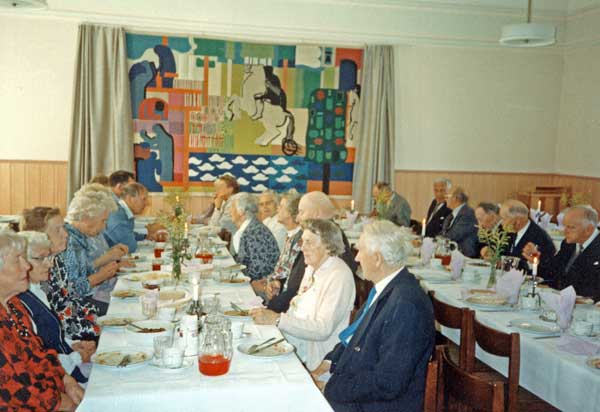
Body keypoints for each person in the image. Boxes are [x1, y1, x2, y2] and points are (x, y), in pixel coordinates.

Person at [311, 220, 435, 412]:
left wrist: (329, 388)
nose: (357, 257)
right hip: (360, 390)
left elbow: (388, 382)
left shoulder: (406, 305)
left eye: (360, 251)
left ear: (377, 258)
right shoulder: (388, 288)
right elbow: (355, 336)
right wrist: (329, 363)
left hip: (377, 406)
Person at [252, 219, 356, 370]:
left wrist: (278, 319)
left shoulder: (339, 276)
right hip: (295, 345)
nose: (302, 248)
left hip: (316, 361)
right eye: (302, 242)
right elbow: (297, 309)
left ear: (328, 246)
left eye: (309, 242)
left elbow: (323, 329)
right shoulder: (312, 268)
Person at [0, 230, 84, 412]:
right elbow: (13, 391)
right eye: (17, 260)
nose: (26, 266)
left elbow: (39, 354)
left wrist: (66, 380)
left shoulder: (14, 305)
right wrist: (59, 402)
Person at [18, 231, 96, 384]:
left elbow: (50, 336)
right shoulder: (20, 302)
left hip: (67, 365)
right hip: (58, 378)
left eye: (49, 257)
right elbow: (36, 361)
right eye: (41, 258)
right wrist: (77, 357)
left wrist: (73, 344)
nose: (50, 264)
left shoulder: (37, 290)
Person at [21, 207, 101, 340]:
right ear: (39, 235)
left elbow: (70, 300)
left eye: (63, 227)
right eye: (58, 230)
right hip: (63, 336)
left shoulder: (57, 259)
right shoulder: (36, 270)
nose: (66, 234)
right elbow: (54, 319)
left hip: (75, 324)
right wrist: (94, 328)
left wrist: (93, 317)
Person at [63, 188, 121, 314]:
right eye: (103, 221)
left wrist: (103, 270)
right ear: (86, 217)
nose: (104, 227)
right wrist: (100, 276)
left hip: (88, 300)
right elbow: (72, 291)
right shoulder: (69, 241)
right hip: (77, 309)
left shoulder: (79, 237)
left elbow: (82, 270)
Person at [524, 205, 600, 299]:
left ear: (588, 229)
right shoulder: (569, 244)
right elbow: (553, 271)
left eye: (571, 227)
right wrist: (536, 260)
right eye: (565, 226)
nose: (565, 231)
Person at [229, 192, 279, 289]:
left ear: (241, 211)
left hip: (265, 287)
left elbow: (259, 270)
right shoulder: (250, 228)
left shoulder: (255, 232)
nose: (229, 212)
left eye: (232, 208)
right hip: (252, 282)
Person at [264, 191, 303, 307]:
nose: (277, 209)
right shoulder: (291, 234)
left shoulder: (300, 238)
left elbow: (291, 275)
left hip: (287, 300)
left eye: (281, 206)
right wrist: (274, 281)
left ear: (291, 212)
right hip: (278, 289)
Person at [500, 199, 555, 273]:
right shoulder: (510, 231)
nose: (502, 223)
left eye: (504, 219)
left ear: (518, 221)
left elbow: (545, 270)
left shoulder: (540, 238)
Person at [104, 182, 158, 253]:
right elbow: (130, 246)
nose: (147, 203)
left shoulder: (123, 211)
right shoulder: (118, 215)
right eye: (144, 199)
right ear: (130, 198)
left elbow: (127, 233)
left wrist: (145, 236)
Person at [440, 187, 479, 257]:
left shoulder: (468, 213)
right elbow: (443, 233)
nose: (445, 199)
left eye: (447, 197)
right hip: (452, 253)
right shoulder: (450, 215)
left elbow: (454, 235)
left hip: (465, 256)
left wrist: (436, 241)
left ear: (455, 199)